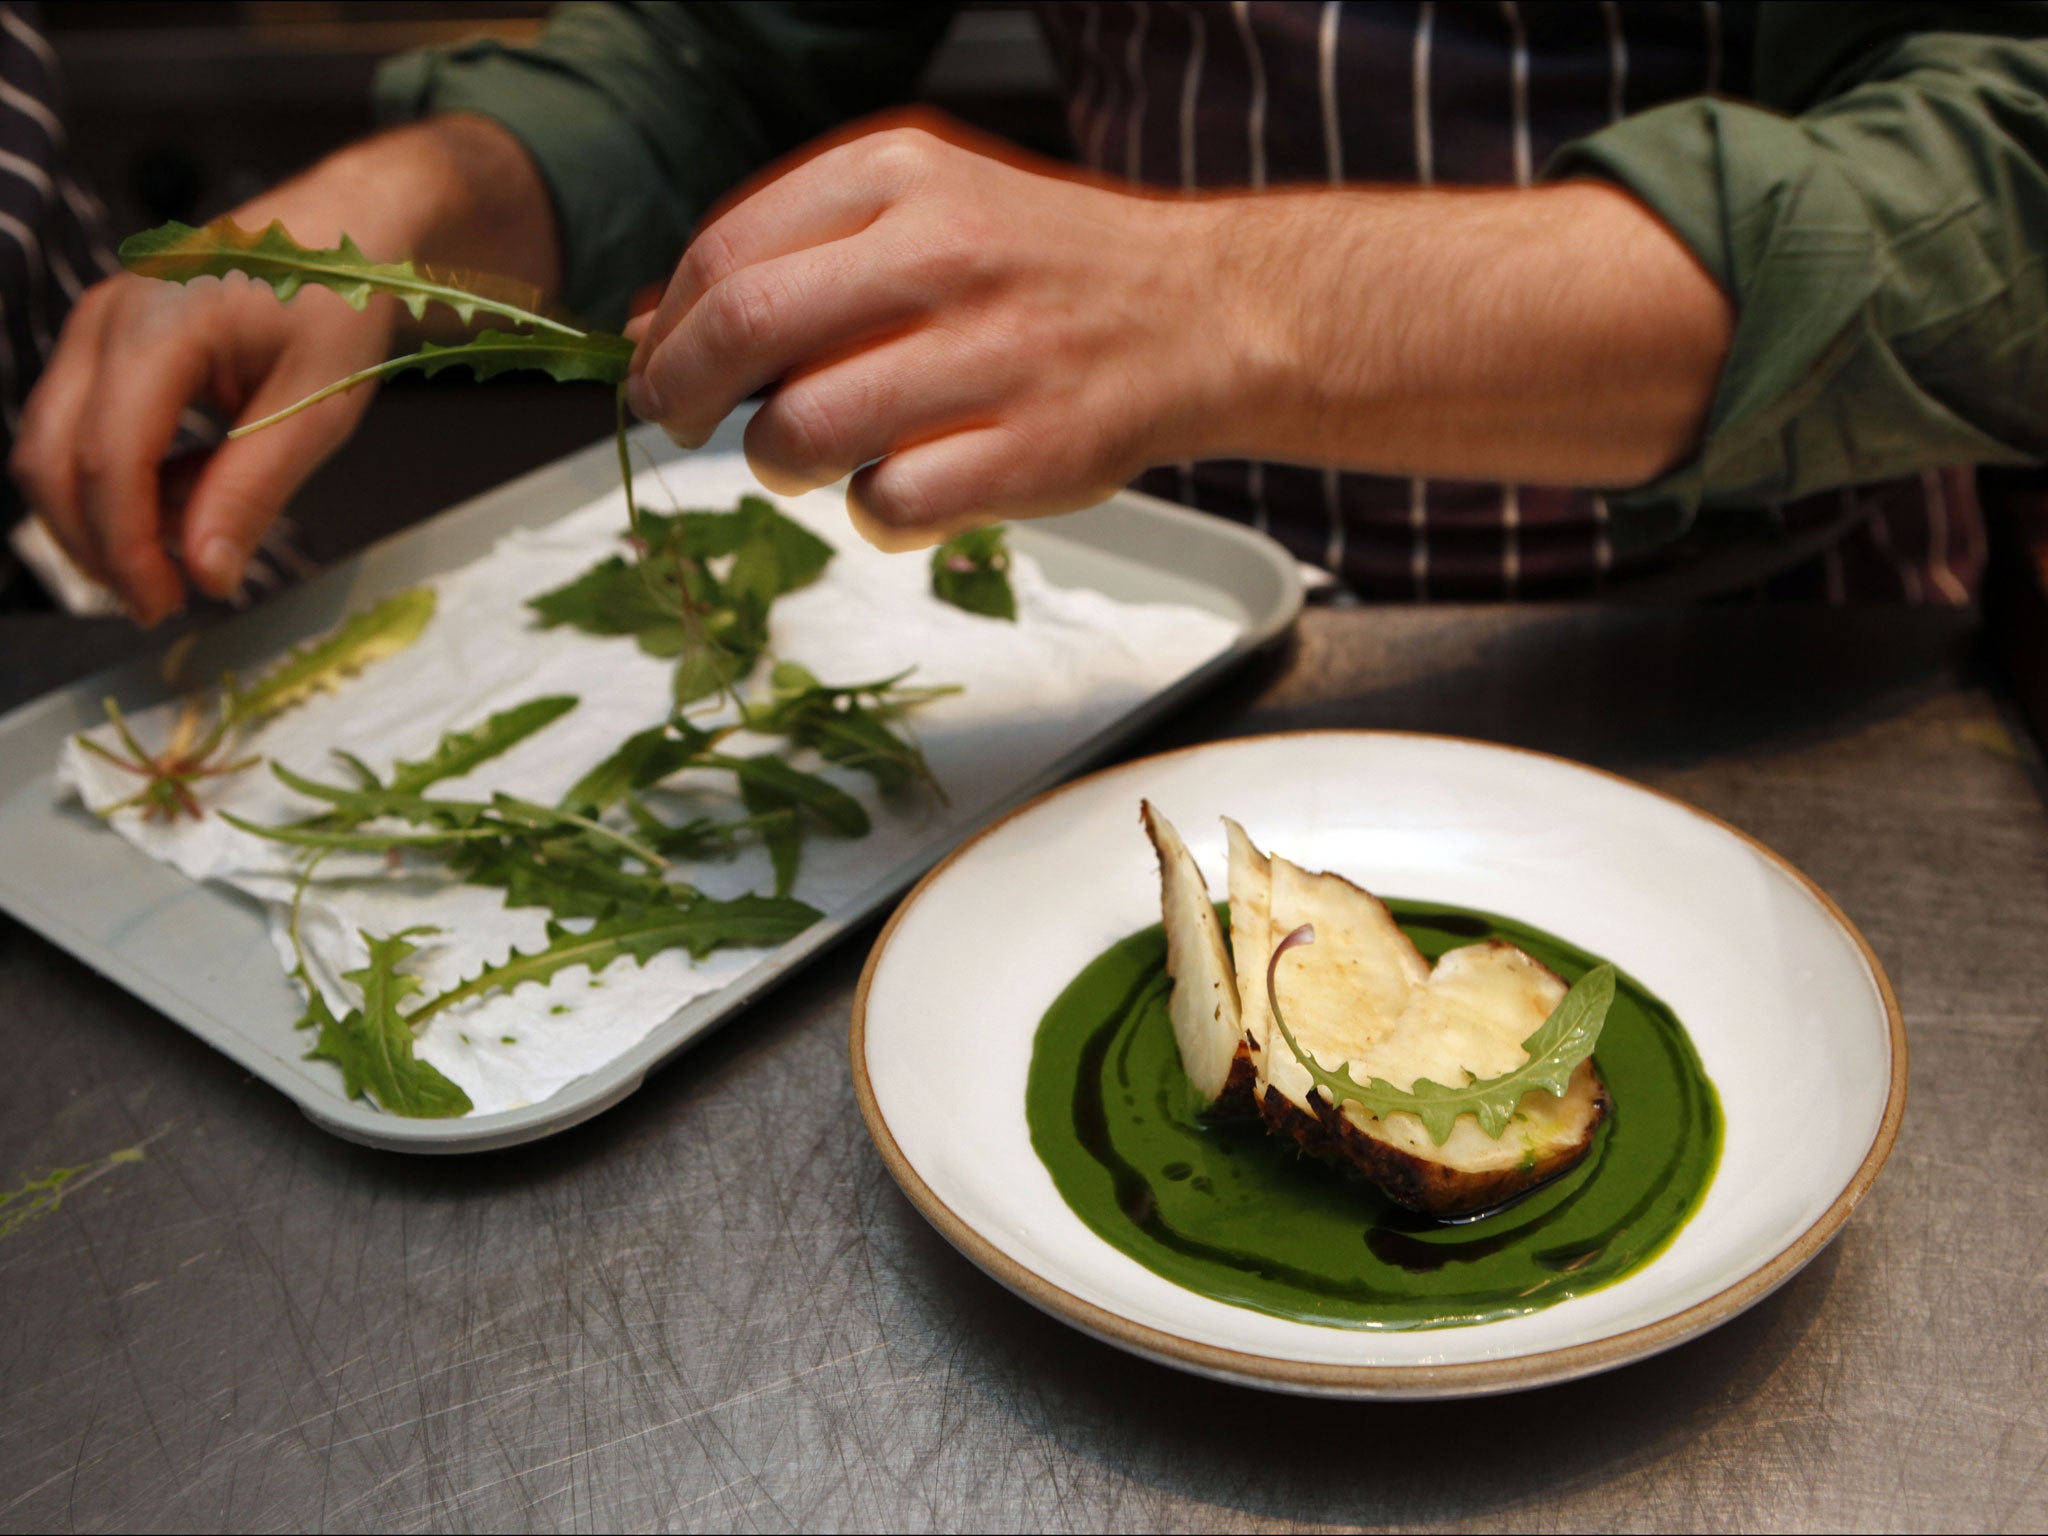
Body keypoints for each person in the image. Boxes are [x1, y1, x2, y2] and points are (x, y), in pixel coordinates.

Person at [14, 2, 2047, 628]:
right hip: (1160, 630)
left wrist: (1222, 296)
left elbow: (2004, 181)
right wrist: (434, 194)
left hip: (1774, 649)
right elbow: (734, 38)